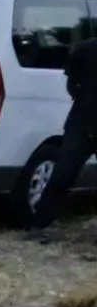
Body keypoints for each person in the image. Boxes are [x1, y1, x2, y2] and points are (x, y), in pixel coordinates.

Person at [28, 35, 97, 231]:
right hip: (82, 123)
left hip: (82, 118)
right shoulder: (86, 49)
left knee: (62, 175)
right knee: (62, 175)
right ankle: (40, 225)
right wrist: (84, 101)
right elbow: (71, 83)